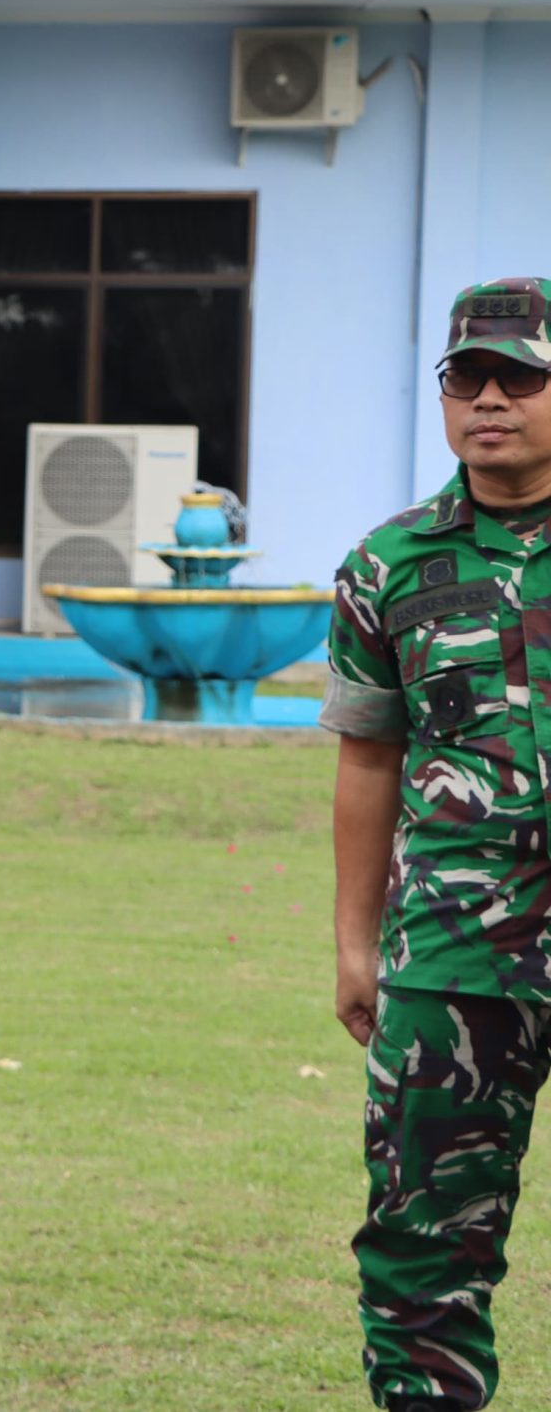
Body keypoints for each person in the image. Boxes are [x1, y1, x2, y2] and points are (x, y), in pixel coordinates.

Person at [325, 276, 551, 1412]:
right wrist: (354, 943)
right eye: (467, 376)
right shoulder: (389, 564)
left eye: (520, 375)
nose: (490, 398)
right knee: (423, 1247)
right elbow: (368, 760)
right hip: (455, 955)